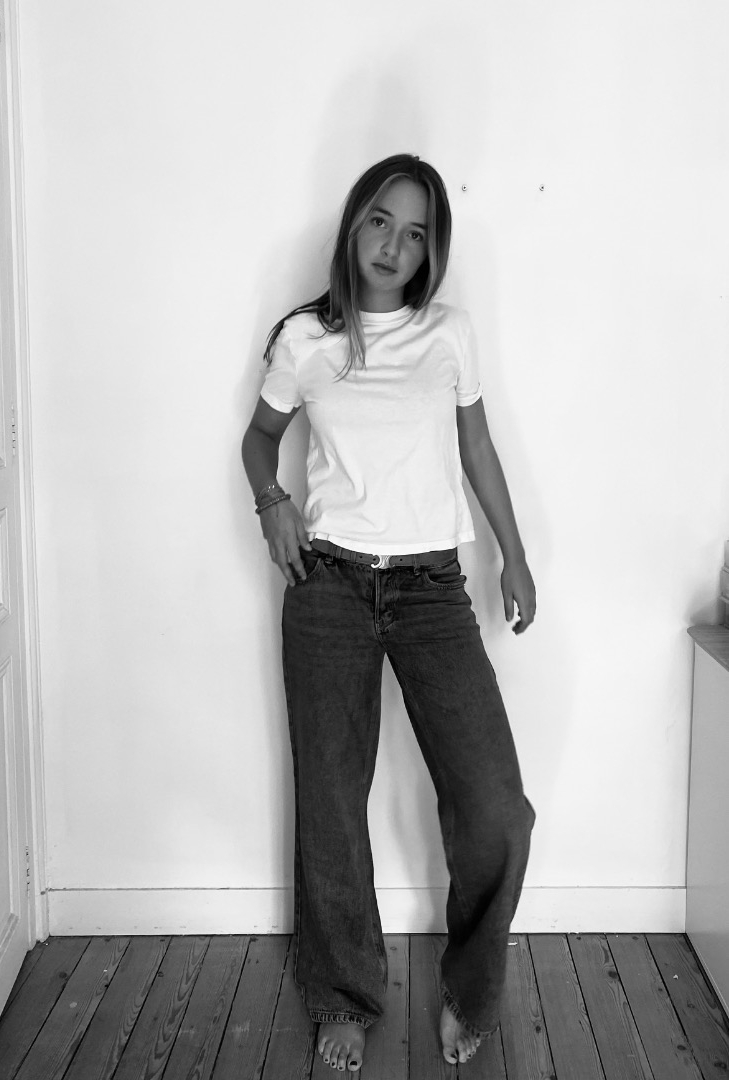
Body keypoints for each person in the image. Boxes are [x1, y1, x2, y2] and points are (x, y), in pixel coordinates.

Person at [241, 153, 536, 1073]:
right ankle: (343, 994)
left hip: (430, 590)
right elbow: (258, 439)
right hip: (326, 585)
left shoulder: (448, 333)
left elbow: (476, 446)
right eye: (380, 220)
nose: (392, 245)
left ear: (428, 250)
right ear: (353, 223)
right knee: (331, 802)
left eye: (414, 233)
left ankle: (468, 987)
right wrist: (271, 502)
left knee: (495, 808)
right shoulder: (304, 340)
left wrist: (514, 553)